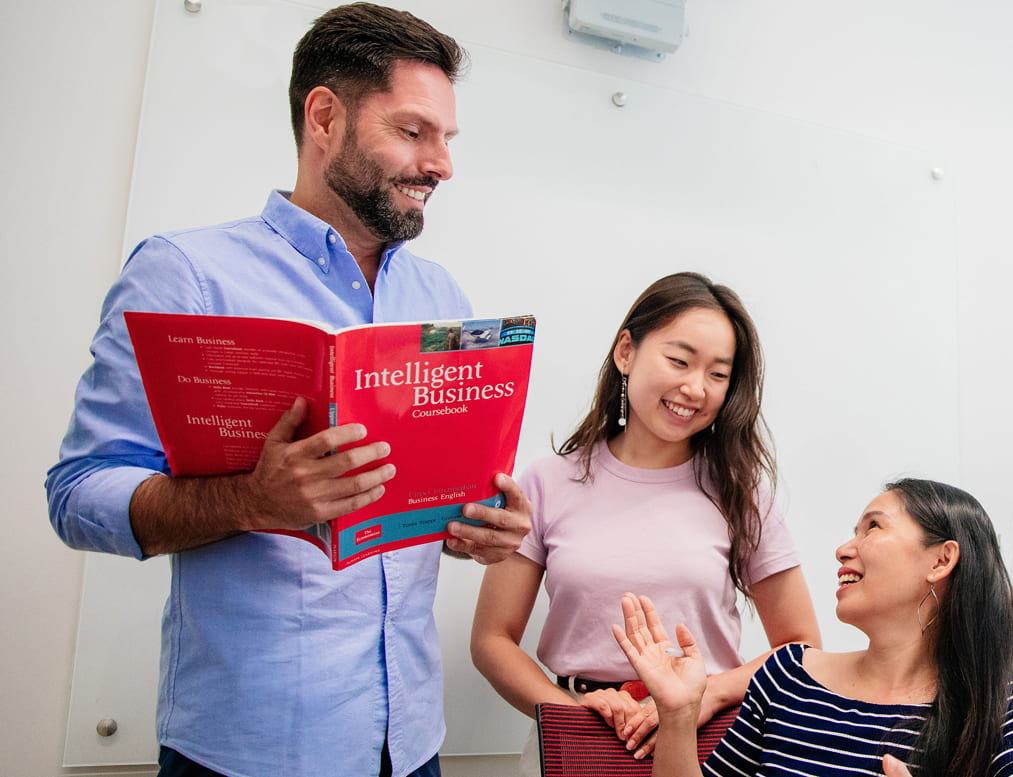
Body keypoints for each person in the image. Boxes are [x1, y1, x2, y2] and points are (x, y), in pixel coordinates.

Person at [45, 5, 531, 777]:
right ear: (324, 117)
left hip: (409, 741)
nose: (441, 164)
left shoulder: (441, 295)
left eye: (446, 138)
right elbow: (75, 495)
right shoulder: (186, 274)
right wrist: (251, 501)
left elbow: (421, 499)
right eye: (413, 131)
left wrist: (479, 523)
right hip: (250, 750)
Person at [470, 272, 820, 770]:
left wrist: (707, 695)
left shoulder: (741, 492)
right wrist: (569, 710)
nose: (695, 387)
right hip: (572, 736)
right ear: (626, 352)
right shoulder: (547, 481)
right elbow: (491, 639)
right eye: (679, 360)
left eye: (718, 374)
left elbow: (800, 644)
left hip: (708, 740)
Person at [616, 478, 1013, 777]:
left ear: (941, 561)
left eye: (874, 527)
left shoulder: (995, 707)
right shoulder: (787, 674)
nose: (843, 549)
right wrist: (679, 717)